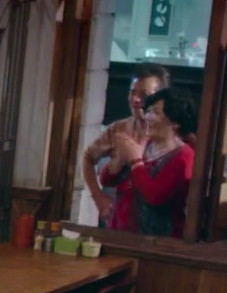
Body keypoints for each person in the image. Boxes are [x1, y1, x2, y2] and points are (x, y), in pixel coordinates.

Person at [79, 63, 169, 230]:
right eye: (132, 92)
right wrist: (98, 197)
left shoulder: (170, 134)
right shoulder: (119, 128)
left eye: (144, 94)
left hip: (157, 228)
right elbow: (88, 157)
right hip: (120, 221)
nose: (135, 99)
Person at [105, 87, 198, 238]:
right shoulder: (144, 143)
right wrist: (118, 159)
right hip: (119, 234)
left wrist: (135, 161)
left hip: (156, 243)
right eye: (148, 111)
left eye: (156, 112)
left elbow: (154, 197)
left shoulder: (184, 156)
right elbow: (107, 180)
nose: (147, 117)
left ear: (175, 122)